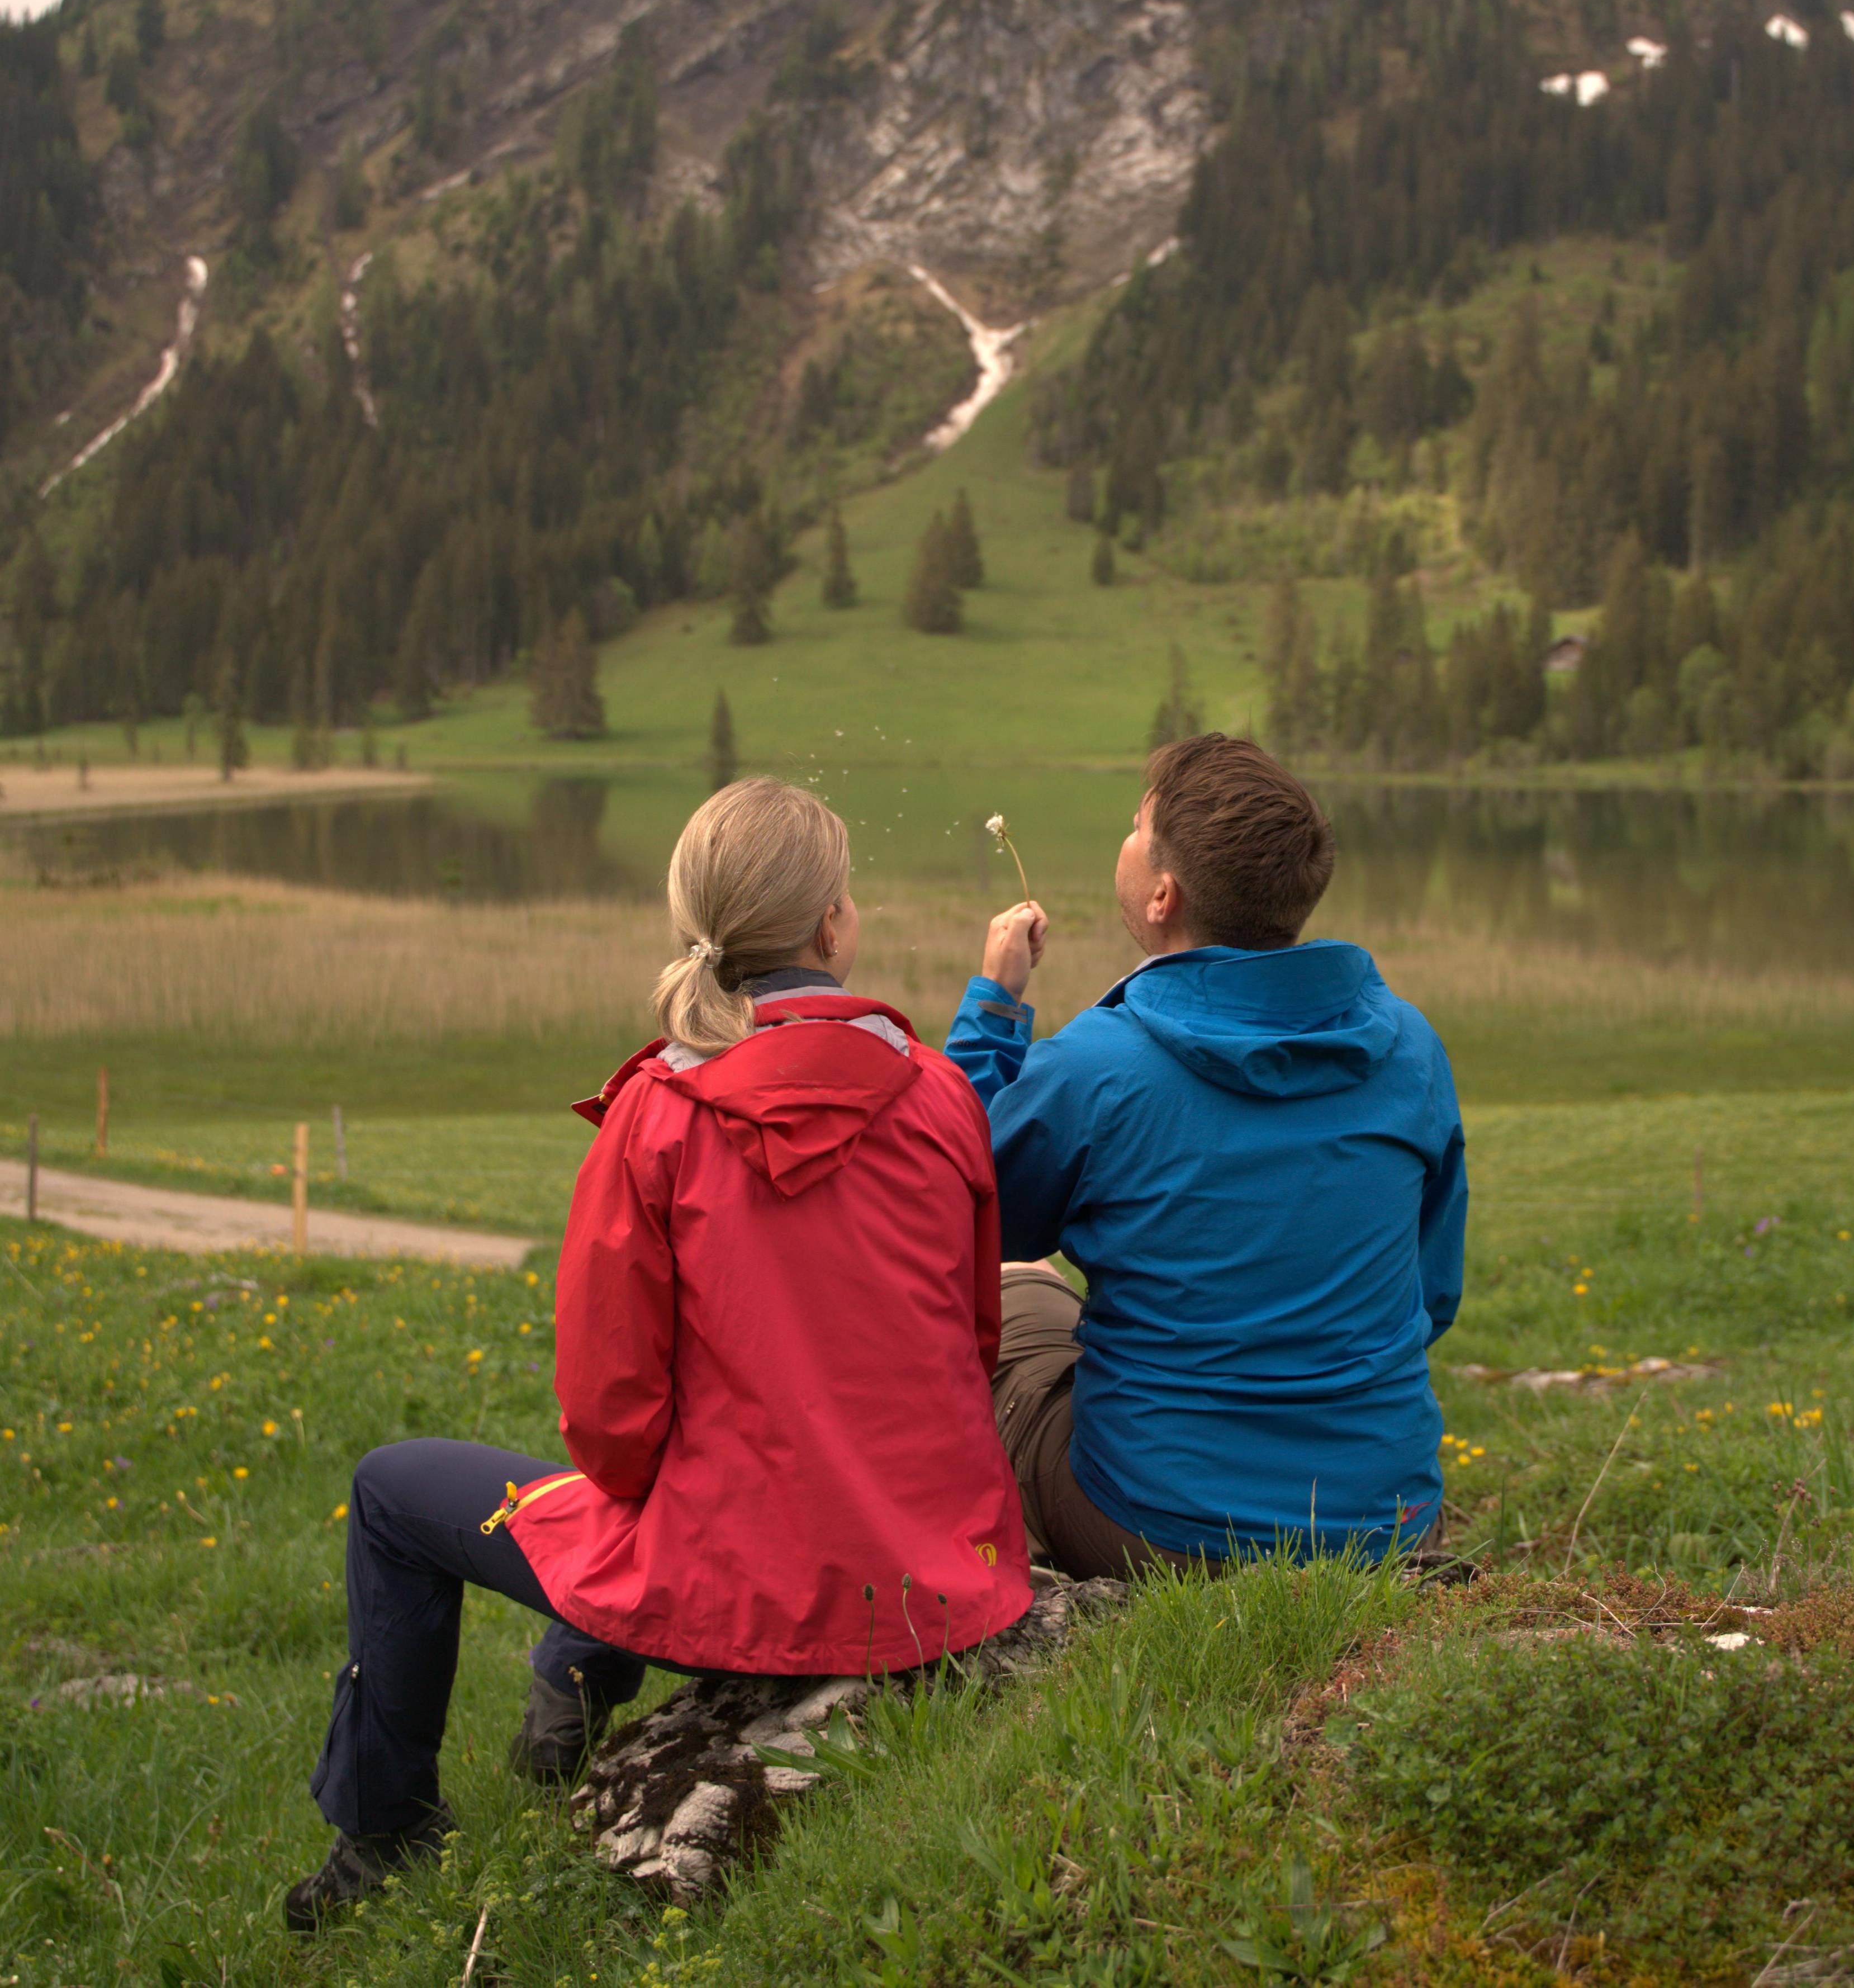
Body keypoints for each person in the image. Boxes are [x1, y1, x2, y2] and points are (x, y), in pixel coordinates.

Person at [288, 779, 1032, 1929]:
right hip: (928, 1571)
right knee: (656, 1483)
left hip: (737, 1578)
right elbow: (974, 1341)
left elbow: (611, 1423)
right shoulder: (939, 1095)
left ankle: (379, 1837)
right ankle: (568, 1679)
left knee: (398, 1490)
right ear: (835, 926)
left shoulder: (658, 1110)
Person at [946, 733, 1466, 1579]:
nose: (1124, 839)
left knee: (1021, 1293)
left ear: (1162, 895)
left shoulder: (1099, 1067)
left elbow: (956, 1205)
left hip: (1159, 1527)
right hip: (1386, 1522)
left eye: (1134, 826)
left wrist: (995, 1010)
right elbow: (1431, 1297)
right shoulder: (1410, 1048)